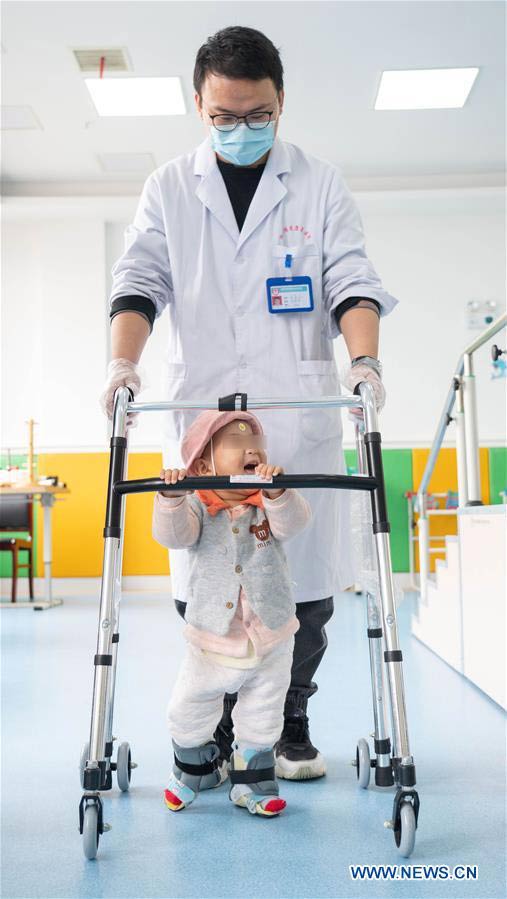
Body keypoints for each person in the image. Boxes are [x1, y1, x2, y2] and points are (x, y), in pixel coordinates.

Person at [101, 25, 397, 780]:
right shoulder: (169, 187)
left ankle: (288, 720)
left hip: (294, 420)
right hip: (204, 420)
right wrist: (120, 366)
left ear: (281, 102)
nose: (240, 129)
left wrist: (362, 360)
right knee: (205, 579)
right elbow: (138, 282)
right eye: (223, 117)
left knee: (305, 591)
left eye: (257, 114)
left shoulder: (319, 183)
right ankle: (227, 721)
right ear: (198, 106)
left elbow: (349, 280)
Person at [153, 410, 311, 816]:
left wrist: (277, 493)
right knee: (188, 706)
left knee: (263, 713)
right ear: (205, 465)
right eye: (239, 446)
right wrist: (171, 498)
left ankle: (253, 783)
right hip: (212, 637)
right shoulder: (197, 506)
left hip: (271, 635)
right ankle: (195, 770)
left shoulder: (267, 504)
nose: (253, 450)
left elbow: (294, 523)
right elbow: (173, 536)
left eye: (258, 446)